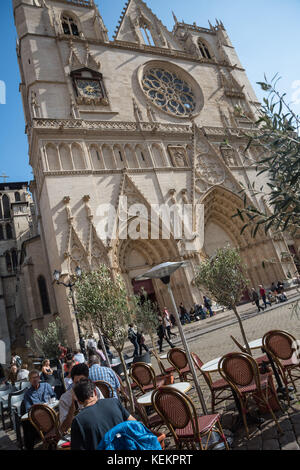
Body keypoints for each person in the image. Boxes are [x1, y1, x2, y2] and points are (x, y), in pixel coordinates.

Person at [71, 378, 135, 450]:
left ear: (79, 401)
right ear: (95, 392)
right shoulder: (114, 402)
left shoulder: (78, 421)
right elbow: (134, 423)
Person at [59, 363, 104, 435]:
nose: (80, 385)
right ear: (72, 382)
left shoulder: (94, 390)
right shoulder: (65, 398)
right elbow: (63, 428)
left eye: (83, 381)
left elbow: (104, 409)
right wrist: (72, 407)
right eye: (77, 382)